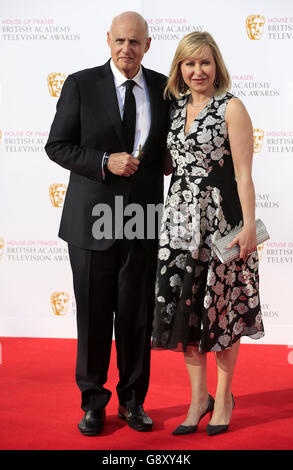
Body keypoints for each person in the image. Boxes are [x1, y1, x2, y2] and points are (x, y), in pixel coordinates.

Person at [45, 11, 169, 435]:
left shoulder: (162, 88)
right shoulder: (81, 84)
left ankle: (134, 402)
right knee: (94, 317)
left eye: (135, 42)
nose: (126, 49)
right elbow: (56, 145)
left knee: (136, 316)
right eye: (120, 41)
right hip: (91, 221)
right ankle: (93, 403)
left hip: (142, 218)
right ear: (108, 41)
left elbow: (165, 146)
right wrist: (103, 161)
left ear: (148, 45)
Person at [152, 31, 265, 436]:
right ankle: (199, 398)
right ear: (179, 69)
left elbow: (243, 175)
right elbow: (169, 164)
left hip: (221, 224)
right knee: (186, 312)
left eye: (204, 62)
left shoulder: (231, 107)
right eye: (189, 63)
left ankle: (224, 397)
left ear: (216, 64)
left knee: (222, 310)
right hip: (178, 226)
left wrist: (249, 226)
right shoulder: (173, 106)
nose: (197, 71)